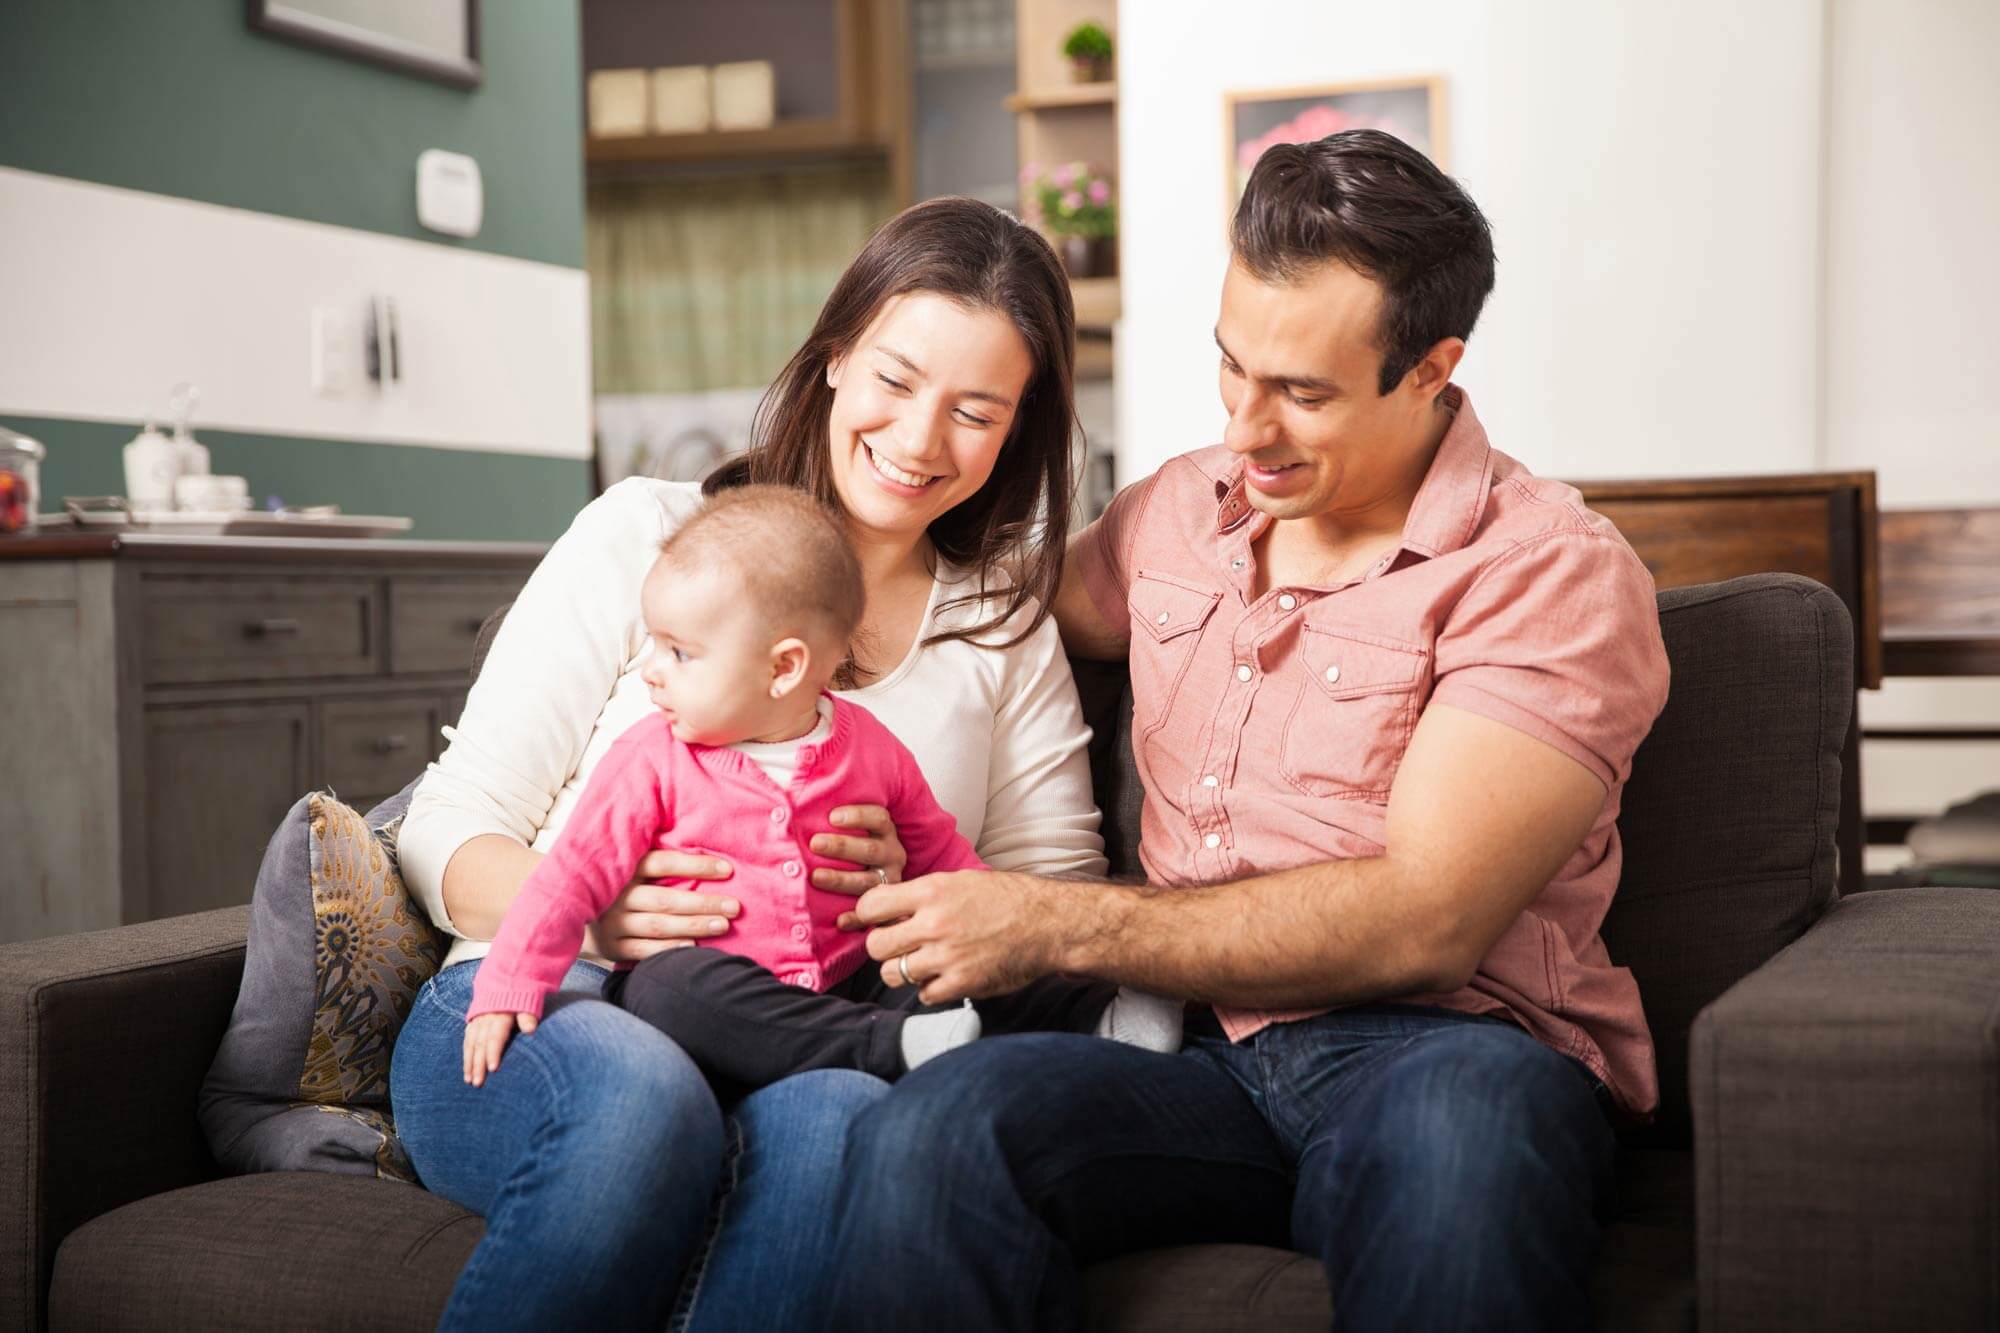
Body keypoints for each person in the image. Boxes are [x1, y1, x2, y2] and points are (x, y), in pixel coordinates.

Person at [825, 129, 1673, 1331]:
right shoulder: (1175, 513)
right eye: (1232, 369)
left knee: (1457, 1131)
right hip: (1187, 1060)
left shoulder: (1544, 572)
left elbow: (1425, 925)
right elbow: (969, 602)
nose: (1244, 430)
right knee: (939, 1129)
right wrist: (760, 597)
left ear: (1432, 369)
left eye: (1303, 394)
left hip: (1438, 1053)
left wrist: (1049, 922)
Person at [388, 196, 1112, 1333]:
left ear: (1018, 429)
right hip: (544, 1004)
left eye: (975, 411)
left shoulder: (998, 624)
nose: (920, 439)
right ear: (832, 356)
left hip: (814, 1029)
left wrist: (925, 901)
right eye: (895, 378)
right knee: (642, 1098)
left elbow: (1053, 899)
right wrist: (596, 913)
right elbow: (447, 824)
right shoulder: (650, 537)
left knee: (837, 1122)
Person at [461, 486, 1177, 1094]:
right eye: (653, 643)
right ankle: (888, 1049)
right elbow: (568, 879)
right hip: (719, 987)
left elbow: (944, 856)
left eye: (679, 652)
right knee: (666, 991)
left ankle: (1111, 1011)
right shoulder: (649, 757)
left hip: (853, 971)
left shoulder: (867, 746)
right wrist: (508, 982)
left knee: (940, 964)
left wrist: (988, 934)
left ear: (783, 668)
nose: (652, 671)